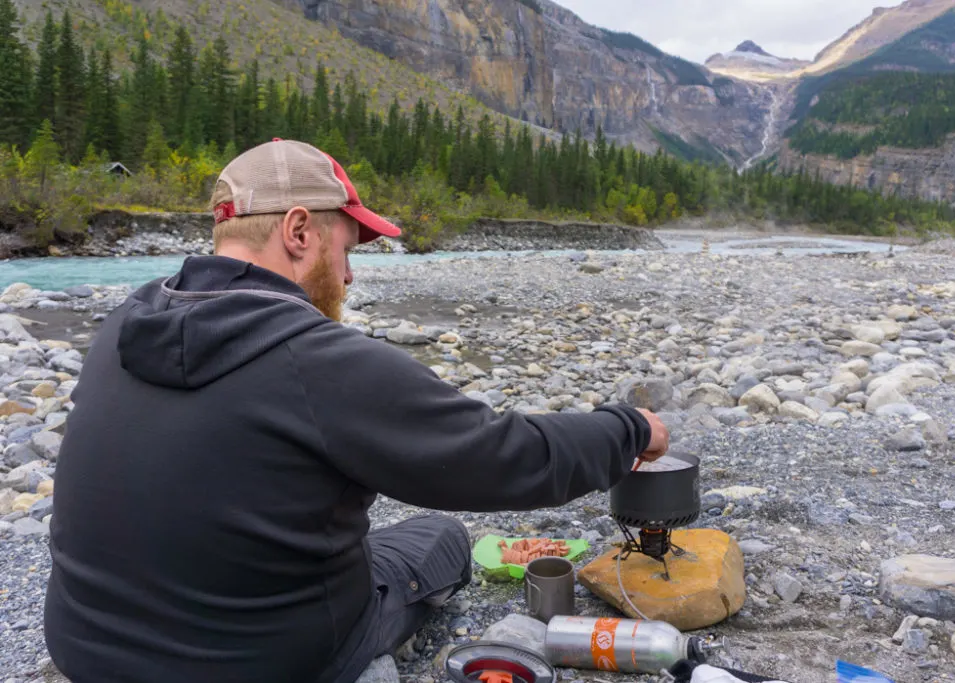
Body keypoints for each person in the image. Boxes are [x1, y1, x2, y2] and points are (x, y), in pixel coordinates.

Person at [43, 139, 670, 683]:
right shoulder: (315, 359)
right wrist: (629, 428)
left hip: (85, 647)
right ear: (297, 232)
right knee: (442, 538)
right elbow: (503, 456)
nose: (347, 276)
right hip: (257, 662)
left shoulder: (124, 324)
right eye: (347, 248)